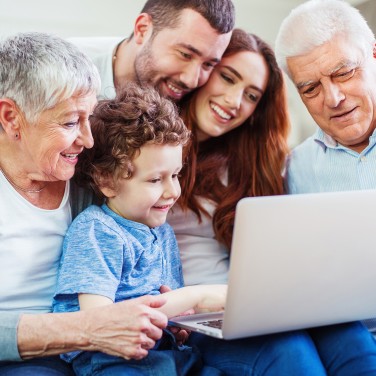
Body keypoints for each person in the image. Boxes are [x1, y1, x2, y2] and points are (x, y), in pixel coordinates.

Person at [166, 28, 376, 375]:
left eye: (251, 96)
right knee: (290, 352)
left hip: (254, 306)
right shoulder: (151, 154)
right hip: (195, 314)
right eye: (228, 78)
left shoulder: (252, 165)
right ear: (204, 72)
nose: (234, 102)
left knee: (352, 340)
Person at [0, 32, 169, 374]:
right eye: (69, 122)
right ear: (11, 118)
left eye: (87, 119)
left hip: (95, 348)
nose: (88, 139)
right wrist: (88, 329)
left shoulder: (87, 179)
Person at [53, 83, 228, 375]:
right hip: (110, 358)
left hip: (163, 351)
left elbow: (168, 300)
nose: (173, 191)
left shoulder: (162, 232)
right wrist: (194, 298)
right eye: (155, 180)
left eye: (175, 174)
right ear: (107, 181)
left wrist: (180, 322)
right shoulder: (97, 230)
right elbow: (98, 321)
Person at [274, 0, 376, 335]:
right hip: (343, 337)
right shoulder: (296, 169)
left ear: (373, 54)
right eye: (311, 88)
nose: (333, 98)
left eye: (344, 72)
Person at [69, 0, 234, 102]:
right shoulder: (64, 70)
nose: (191, 80)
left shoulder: (194, 101)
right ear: (142, 29)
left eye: (208, 64)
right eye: (185, 54)